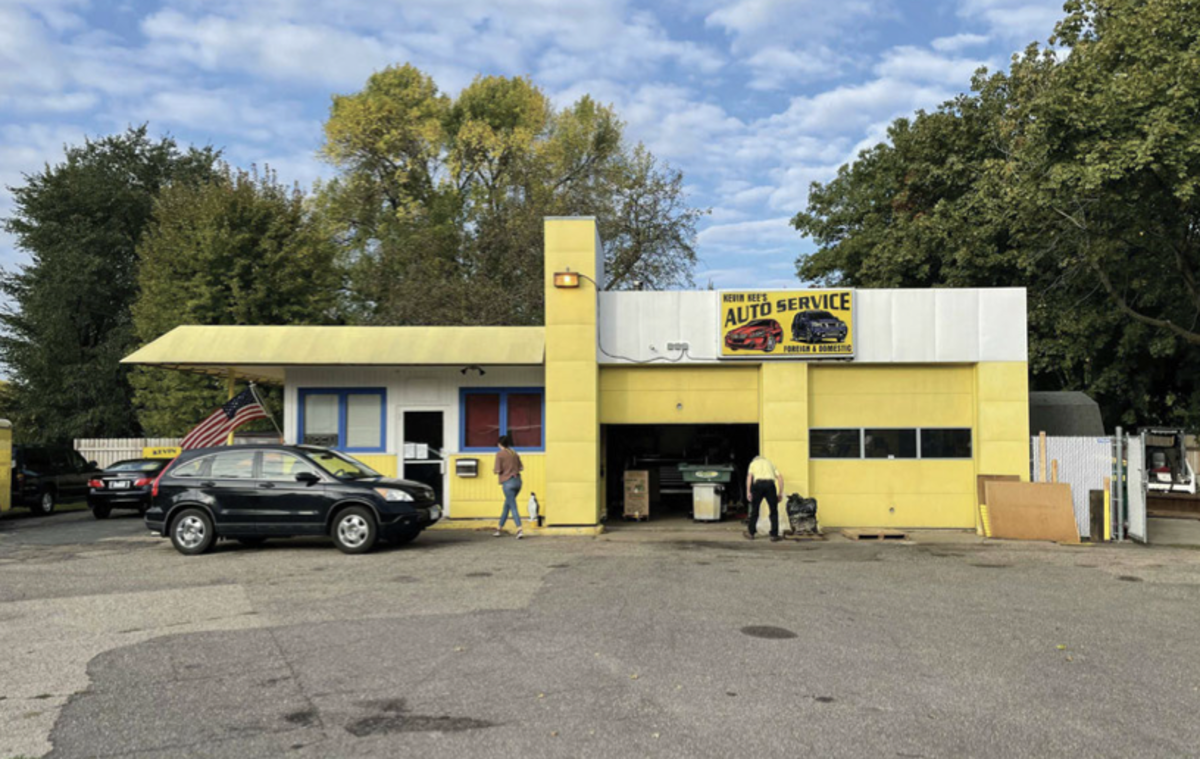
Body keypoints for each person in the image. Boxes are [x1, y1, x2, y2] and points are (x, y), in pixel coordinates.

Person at [745, 454, 783, 542]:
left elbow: (749, 477)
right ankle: (774, 535)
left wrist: (748, 491)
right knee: (773, 510)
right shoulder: (770, 463)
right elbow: (780, 477)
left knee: (755, 509)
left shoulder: (753, 463)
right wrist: (780, 493)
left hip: (758, 485)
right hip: (770, 485)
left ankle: (751, 533)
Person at [494, 434, 524, 539]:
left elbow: (498, 470)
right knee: (507, 505)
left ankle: (519, 529)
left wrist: (496, 471)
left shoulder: (499, 454)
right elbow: (521, 467)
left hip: (507, 482)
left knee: (513, 506)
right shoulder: (514, 453)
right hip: (518, 482)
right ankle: (499, 528)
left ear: (499, 444)